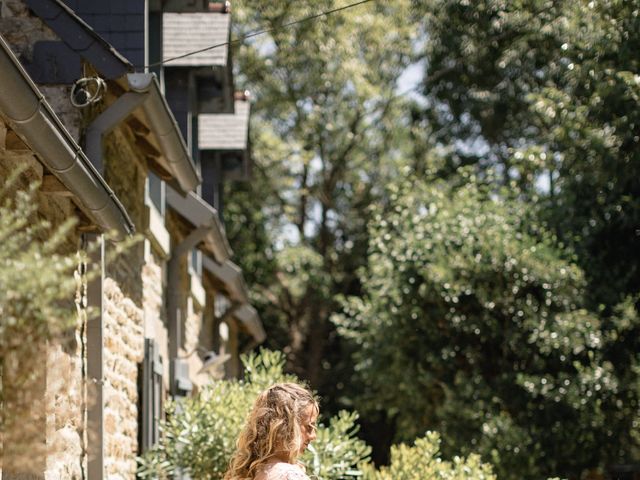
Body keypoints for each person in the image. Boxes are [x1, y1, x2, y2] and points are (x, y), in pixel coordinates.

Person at [224, 382, 319, 480]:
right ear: (286, 427)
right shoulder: (290, 475)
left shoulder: (252, 472)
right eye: (309, 427)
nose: (313, 436)